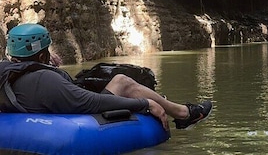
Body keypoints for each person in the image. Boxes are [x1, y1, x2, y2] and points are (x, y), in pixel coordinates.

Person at [0, 23, 213, 130]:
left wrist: (43, 63)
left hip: (33, 105)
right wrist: (144, 104)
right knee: (123, 81)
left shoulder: (8, 70)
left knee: (115, 82)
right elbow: (91, 102)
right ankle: (184, 114)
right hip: (79, 119)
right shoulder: (44, 80)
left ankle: (182, 112)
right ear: (41, 54)